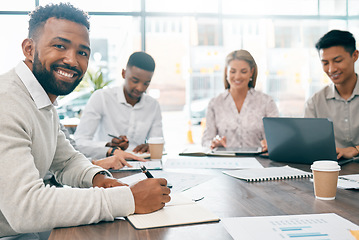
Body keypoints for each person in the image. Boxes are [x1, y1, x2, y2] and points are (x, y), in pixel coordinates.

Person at [0, 3, 170, 238]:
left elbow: (66, 160)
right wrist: (127, 198)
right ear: (29, 49)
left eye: (82, 52)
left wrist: (98, 178)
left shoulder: (42, 100)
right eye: (60, 46)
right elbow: (27, 208)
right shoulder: (6, 101)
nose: (72, 60)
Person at [74, 51, 163, 160]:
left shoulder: (153, 106)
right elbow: (79, 142)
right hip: (106, 163)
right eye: (135, 80)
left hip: (140, 164)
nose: (140, 88)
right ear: (123, 74)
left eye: (146, 83)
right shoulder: (101, 97)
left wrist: (150, 147)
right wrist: (108, 146)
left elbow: (158, 141)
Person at [202, 49, 279, 150]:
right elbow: (206, 141)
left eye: (243, 71)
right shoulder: (215, 103)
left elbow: (277, 138)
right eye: (233, 71)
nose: (237, 76)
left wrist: (270, 145)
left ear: (251, 72)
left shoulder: (266, 102)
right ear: (226, 72)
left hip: (259, 162)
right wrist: (213, 144)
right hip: (226, 163)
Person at [305, 30, 359, 159]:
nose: (331, 69)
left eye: (338, 60)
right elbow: (309, 143)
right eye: (325, 63)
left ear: (355, 56)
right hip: (332, 169)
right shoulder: (315, 102)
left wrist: (355, 150)